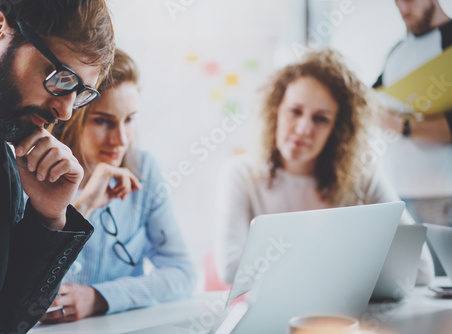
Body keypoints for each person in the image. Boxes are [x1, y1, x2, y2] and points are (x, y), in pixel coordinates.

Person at [0, 0, 114, 332]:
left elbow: (2, 322)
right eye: (61, 78)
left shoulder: (8, 172)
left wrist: (49, 217)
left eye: (80, 93)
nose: (66, 111)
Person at [214, 49, 434, 286]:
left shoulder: (363, 177)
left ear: (337, 130)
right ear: (275, 110)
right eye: (295, 111)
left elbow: (420, 269)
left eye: (321, 119)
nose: (303, 129)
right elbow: (231, 268)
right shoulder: (241, 174)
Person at [42, 49, 196, 324]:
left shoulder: (143, 169)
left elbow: (183, 274)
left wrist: (100, 297)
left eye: (129, 119)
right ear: (72, 116)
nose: (120, 139)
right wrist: (82, 206)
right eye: (103, 121)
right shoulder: (37, 172)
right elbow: (18, 283)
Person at [373, 0, 452, 275]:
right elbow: (373, 99)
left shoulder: (449, 41)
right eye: (396, 2)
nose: (402, 9)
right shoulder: (397, 51)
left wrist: (404, 127)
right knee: (406, 284)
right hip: (397, 194)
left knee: (441, 292)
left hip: (441, 198)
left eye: (409, 0)